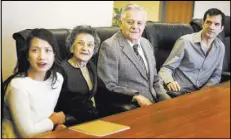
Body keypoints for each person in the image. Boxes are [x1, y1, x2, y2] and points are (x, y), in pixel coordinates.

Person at [97, 4, 171, 108]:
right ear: (120, 23)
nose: (135, 27)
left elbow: (154, 78)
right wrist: (135, 96)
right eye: (130, 22)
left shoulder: (146, 43)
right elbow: (108, 85)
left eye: (139, 23)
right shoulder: (109, 46)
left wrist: (165, 98)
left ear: (144, 25)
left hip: (154, 103)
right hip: (134, 106)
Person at [2, 29, 65, 138]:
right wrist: (53, 121)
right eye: (35, 50)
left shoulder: (58, 79)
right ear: (27, 56)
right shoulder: (18, 86)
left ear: (54, 55)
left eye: (47, 50)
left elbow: (43, 115)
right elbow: (26, 133)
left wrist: (56, 126)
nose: (42, 57)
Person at [158, 8, 225, 96]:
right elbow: (166, 68)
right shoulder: (185, 41)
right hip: (178, 91)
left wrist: (204, 92)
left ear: (221, 28)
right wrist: (169, 81)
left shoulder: (220, 47)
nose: (211, 27)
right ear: (203, 24)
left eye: (216, 24)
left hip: (200, 95)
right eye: (208, 22)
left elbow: (216, 76)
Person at [55, 25, 101, 126]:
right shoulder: (61, 70)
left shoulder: (91, 66)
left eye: (90, 45)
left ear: (94, 49)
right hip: (70, 122)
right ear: (72, 46)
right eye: (80, 43)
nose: (85, 48)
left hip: (92, 119)